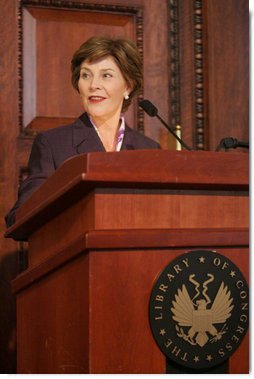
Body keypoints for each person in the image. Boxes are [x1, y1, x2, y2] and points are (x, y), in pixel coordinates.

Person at [5, 35, 160, 228]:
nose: (93, 84)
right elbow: (21, 216)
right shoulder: (53, 144)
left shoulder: (149, 150)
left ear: (128, 85)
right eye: (86, 75)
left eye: (106, 75)